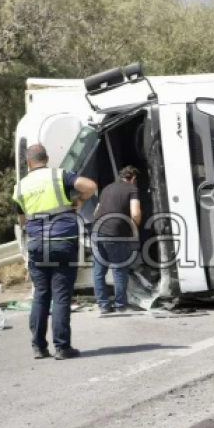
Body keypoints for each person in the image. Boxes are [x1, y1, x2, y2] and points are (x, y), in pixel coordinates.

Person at [14, 144, 97, 360]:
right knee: (60, 296)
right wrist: (78, 201)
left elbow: (22, 220)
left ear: (28, 162)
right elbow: (90, 186)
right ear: (47, 158)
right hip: (62, 241)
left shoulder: (20, 186)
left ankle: (39, 347)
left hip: (37, 244)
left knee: (41, 295)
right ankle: (62, 347)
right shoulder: (59, 176)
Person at [92, 165, 142, 315]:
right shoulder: (132, 189)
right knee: (119, 269)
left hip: (97, 231)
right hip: (116, 234)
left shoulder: (107, 188)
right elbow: (135, 213)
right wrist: (134, 229)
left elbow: (96, 212)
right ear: (133, 179)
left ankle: (103, 305)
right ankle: (120, 305)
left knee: (99, 270)